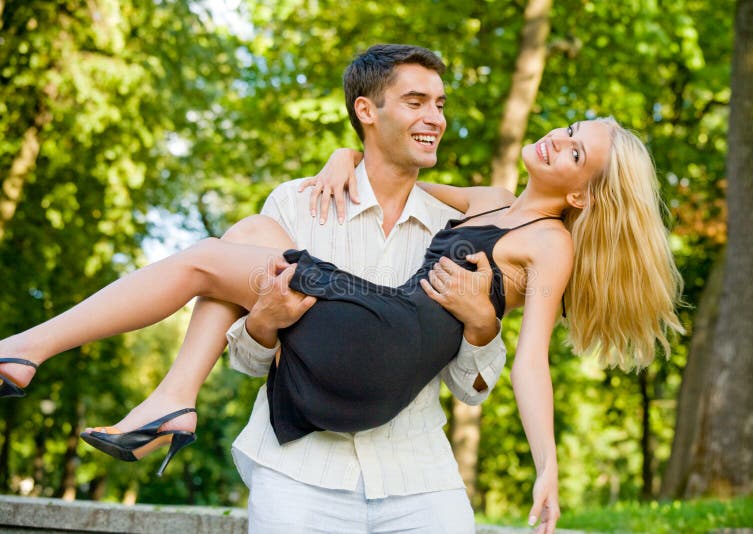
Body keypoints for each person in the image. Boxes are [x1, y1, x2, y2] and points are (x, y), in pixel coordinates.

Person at [1, 45, 510, 534]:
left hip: (419, 481)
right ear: (366, 110)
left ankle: (131, 384)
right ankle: (161, 394)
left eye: (440, 104)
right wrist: (265, 322)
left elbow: (470, 389)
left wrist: (484, 326)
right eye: (416, 102)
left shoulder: (455, 228)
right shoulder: (296, 203)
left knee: (227, 244)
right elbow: (248, 361)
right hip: (299, 474)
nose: (436, 118)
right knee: (241, 237)